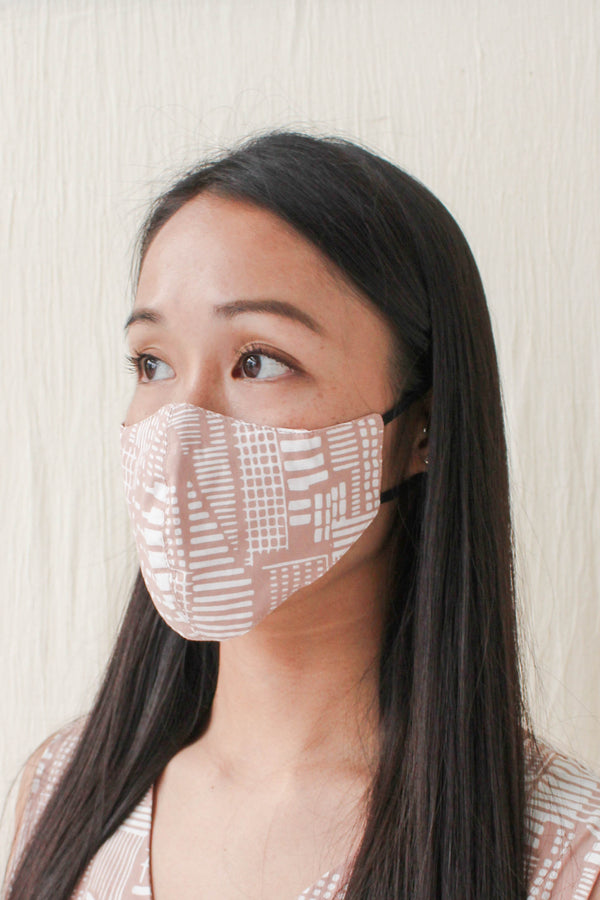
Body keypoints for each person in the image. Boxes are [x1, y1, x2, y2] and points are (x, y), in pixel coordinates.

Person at [4, 131, 600, 900]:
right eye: (153, 363)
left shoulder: (563, 858)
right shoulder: (57, 793)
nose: (179, 437)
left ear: (422, 428)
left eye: (259, 361)